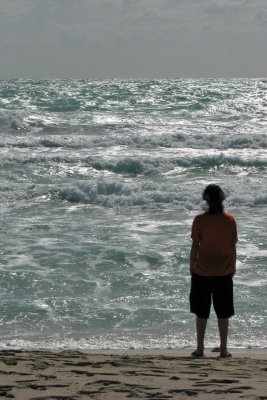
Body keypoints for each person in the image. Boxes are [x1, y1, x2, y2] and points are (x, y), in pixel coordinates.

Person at [189, 184, 238, 358]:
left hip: (202, 271)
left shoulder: (200, 220)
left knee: (201, 312)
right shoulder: (229, 220)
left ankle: (200, 349)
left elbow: (196, 245)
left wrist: (191, 267)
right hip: (224, 271)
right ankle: (223, 349)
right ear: (222, 199)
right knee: (223, 312)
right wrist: (232, 267)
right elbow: (232, 247)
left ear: (206, 199)